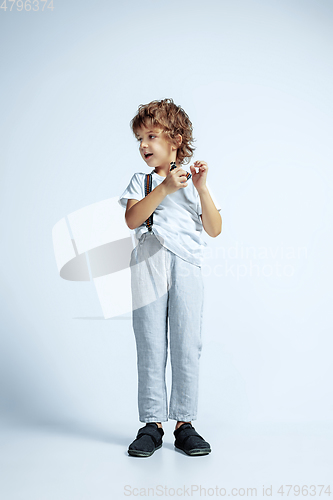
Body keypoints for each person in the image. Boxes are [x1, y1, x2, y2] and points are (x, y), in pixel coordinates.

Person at [118, 98, 222, 457]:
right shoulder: (143, 180)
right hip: (149, 260)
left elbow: (214, 229)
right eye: (139, 139)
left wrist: (202, 187)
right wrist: (163, 189)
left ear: (175, 140)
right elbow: (133, 220)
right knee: (149, 341)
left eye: (151, 136)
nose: (144, 145)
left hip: (187, 264)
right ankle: (151, 423)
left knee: (186, 342)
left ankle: (184, 423)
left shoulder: (193, 182)